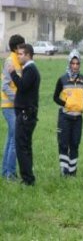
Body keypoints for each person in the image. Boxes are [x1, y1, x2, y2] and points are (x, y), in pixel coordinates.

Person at [8, 44, 40, 186]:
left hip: (26, 114)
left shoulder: (30, 70)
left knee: (22, 146)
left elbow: (22, 86)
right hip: (25, 113)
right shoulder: (28, 69)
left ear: (28, 55)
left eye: (21, 54)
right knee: (25, 146)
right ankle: (28, 177)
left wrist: (13, 73)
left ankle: (27, 179)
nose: (18, 56)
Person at [53, 50, 83, 176]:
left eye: (77, 63)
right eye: (72, 63)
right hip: (64, 117)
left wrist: (80, 106)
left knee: (75, 144)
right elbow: (55, 97)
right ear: (69, 63)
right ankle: (64, 171)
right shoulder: (62, 79)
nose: (75, 66)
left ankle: (72, 172)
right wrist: (67, 104)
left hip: (77, 118)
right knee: (63, 144)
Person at [1, 34, 25, 180]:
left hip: (13, 106)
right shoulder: (10, 61)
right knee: (15, 139)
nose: (24, 47)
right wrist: (17, 100)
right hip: (9, 106)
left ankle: (5, 171)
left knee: (10, 138)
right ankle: (10, 174)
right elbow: (4, 86)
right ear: (16, 47)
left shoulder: (18, 61)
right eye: (22, 45)